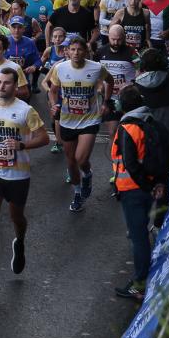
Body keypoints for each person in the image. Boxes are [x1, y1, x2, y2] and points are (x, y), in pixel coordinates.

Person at [0, 66, 49, 286]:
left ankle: (20, 240)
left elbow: (44, 138)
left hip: (17, 175)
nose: (1, 86)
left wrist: (21, 144)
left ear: (15, 86)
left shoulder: (26, 111)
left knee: (17, 217)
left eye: (6, 83)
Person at [109, 92, 169, 303]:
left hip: (133, 189)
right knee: (140, 234)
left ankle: (139, 284)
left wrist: (147, 186)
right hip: (151, 187)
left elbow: (130, 163)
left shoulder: (127, 127)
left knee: (138, 238)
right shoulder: (155, 122)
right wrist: (158, 184)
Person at [46, 35, 110, 212]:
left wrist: (105, 102)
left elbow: (109, 81)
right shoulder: (60, 68)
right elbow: (53, 91)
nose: (75, 53)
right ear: (67, 51)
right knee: (71, 162)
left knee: (81, 158)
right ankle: (77, 191)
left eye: (79, 49)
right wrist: (54, 105)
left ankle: (87, 174)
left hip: (89, 119)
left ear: (85, 51)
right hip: (67, 120)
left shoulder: (97, 68)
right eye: (72, 49)